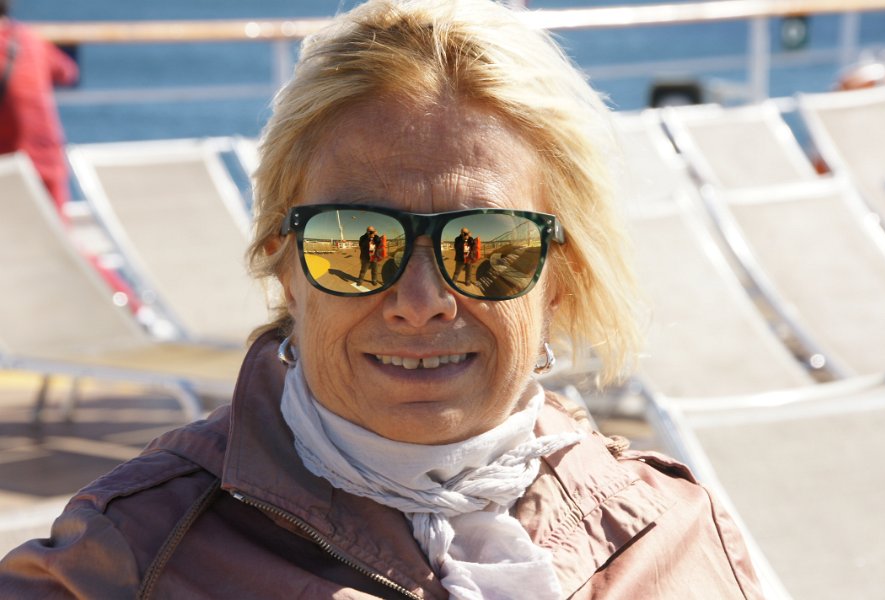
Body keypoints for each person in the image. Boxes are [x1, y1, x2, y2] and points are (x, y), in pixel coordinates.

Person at [0, 0, 764, 598]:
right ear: (284, 264)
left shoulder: (664, 529)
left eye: (485, 245)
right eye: (355, 240)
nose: (420, 301)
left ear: (558, 276)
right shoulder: (133, 559)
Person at [0, 0, 79, 211]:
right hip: (48, 156)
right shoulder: (28, 38)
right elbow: (68, 72)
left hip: (9, 162)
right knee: (57, 227)